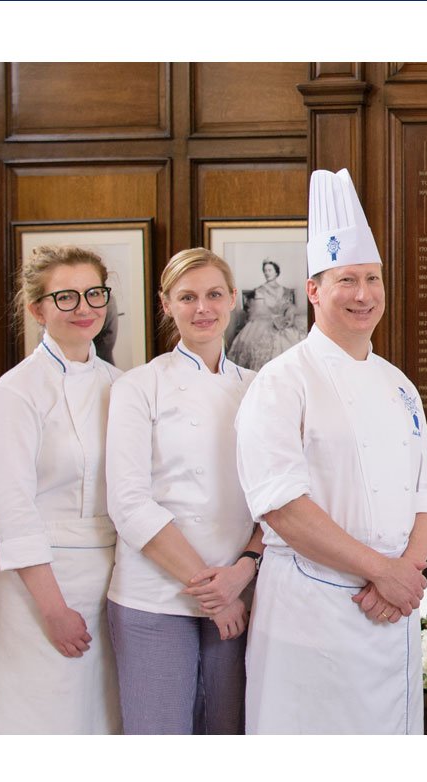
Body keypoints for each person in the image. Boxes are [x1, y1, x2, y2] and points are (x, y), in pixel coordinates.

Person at [237, 169, 427, 734]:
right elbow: (281, 505)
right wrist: (383, 572)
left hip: (390, 609)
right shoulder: (283, 382)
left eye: (373, 279)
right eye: (346, 280)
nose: (363, 295)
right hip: (313, 610)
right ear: (313, 290)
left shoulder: (398, 383)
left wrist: (403, 573)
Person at [105, 248, 262, 735]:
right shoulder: (138, 386)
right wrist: (215, 593)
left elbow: (276, 501)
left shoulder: (260, 389)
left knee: (229, 734)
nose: (203, 308)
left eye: (214, 294)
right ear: (166, 304)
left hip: (241, 588)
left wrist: (241, 573)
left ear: (233, 299)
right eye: (187, 297)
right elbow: (128, 504)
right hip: (155, 593)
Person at [0, 246, 124, 734]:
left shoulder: (122, 385)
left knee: (100, 719)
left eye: (93, 293)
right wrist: (53, 609)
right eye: (65, 297)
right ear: (37, 308)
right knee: (41, 720)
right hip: (37, 585)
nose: (83, 308)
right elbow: (11, 510)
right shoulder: (15, 393)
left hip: (110, 575)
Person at [228, 259, 301, 371]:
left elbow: (289, 307)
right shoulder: (260, 290)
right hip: (263, 322)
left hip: (284, 322)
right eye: (265, 270)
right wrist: (274, 319)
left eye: (269, 270)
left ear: (276, 272)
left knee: (296, 340)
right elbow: (259, 310)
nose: (267, 273)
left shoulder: (285, 290)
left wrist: (288, 316)